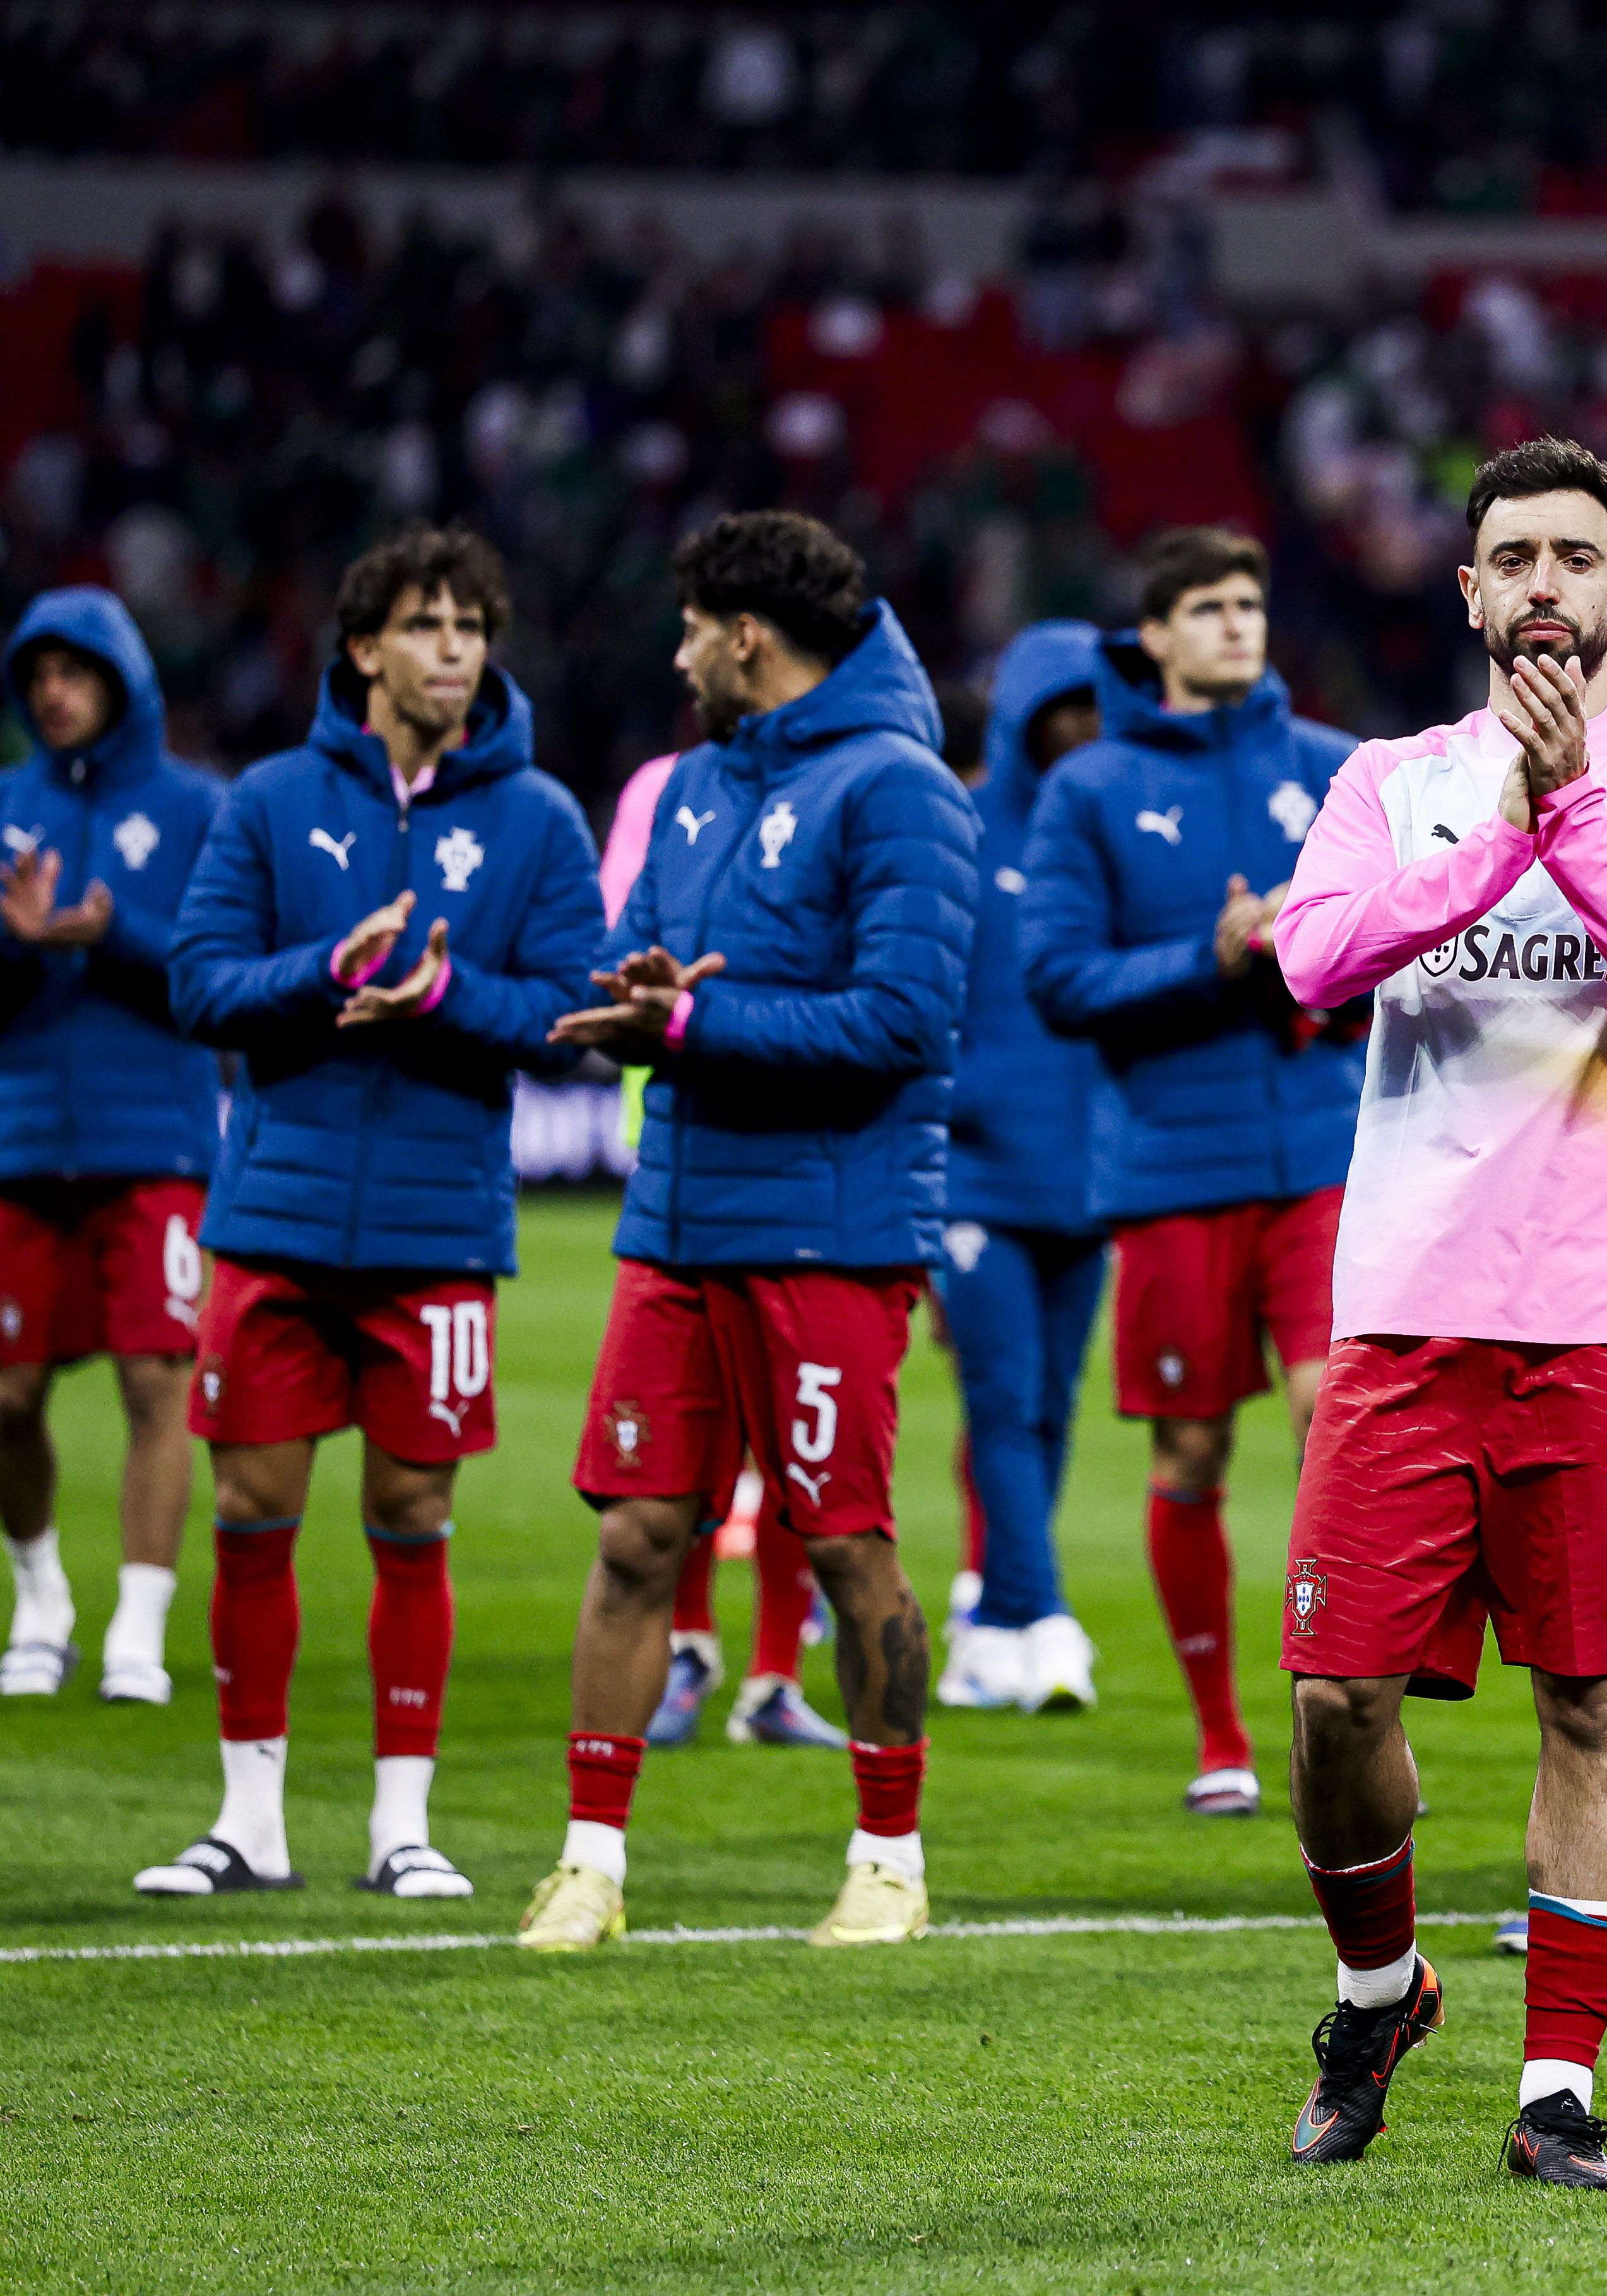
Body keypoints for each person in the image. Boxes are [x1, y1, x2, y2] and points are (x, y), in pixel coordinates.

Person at [1264, 437, 1607, 2186]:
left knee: (1595, 1704)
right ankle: (1381, 1987)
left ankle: (1556, 2085)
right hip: (1409, 1308)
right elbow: (1314, 961)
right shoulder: (1393, 775)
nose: (1544, 582)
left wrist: (1572, 815)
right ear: (1467, 591)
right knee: (1335, 1697)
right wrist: (1513, 826)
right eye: (1512, 557)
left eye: (1576, 554)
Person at [519, 510, 975, 1953]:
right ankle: (588, 1861)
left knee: (844, 1541)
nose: (676, 654)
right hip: (676, 1217)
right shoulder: (700, 785)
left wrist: (700, 1018)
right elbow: (643, 952)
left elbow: (906, 1018)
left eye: (688, 627)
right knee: (639, 1535)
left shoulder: (901, 789)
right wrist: (633, 999)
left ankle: (889, 1859)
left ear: (744, 635)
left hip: (830, 1230)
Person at [148, 526, 601, 1897]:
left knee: (414, 1512)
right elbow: (198, 982)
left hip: (440, 1226)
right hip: (275, 1215)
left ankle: (403, 1825)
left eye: (471, 627)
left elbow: (572, 1009)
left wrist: (450, 997)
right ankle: (251, 1820)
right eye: (424, 625)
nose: (453, 650)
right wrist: (315, 972)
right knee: (249, 1503)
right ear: (364, 649)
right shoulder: (274, 798)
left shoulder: (540, 818)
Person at [1021, 527, 1361, 1816]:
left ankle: (1347, 1713)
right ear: (1152, 637)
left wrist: (1322, 961)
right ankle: (1222, 1736)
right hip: (1168, 1167)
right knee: (1190, 1452)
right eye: (1207, 606)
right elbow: (1056, 978)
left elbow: (1407, 951)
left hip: (1326, 1156)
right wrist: (1206, 960)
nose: (1236, 622)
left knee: (1340, 1427)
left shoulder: (1335, 771)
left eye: (1249, 601)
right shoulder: (1091, 788)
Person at [1, 589, 223, 1705]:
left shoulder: (196, 810)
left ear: (123, 683)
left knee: (156, 1376)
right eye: (37, 673)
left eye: (74, 671)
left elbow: (224, 974)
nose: (52, 691)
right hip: (21, 1137)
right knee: (7, 1396)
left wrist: (112, 934)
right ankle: (40, 1596)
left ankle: (139, 1621)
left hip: (159, 1140)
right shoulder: (4, 807)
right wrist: (19, 941)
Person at [596, 753, 837, 1755]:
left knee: (792, 1436)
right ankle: (690, 1646)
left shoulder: (848, 780)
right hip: (681, 1125)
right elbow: (618, 930)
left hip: (799, 1136)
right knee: (698, 1432)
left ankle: (774, 1672)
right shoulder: (665, 785)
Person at [930, 620, 1113, 1717]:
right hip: (973, 1172)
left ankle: (991, 1624)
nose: (1087, 727)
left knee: (1051, 1404)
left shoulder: (1104, 832)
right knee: (1002, 1398)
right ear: (1026, 714)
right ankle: (1044, 1618)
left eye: (1101, 707)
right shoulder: (955, 826)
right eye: (1067, 707)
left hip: (1083, 1173)